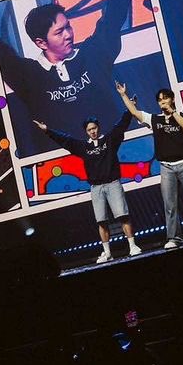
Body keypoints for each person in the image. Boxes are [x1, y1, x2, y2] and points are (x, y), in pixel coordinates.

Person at [0, 0, 134, 139]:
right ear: (41, 43)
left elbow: (113, 18)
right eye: (59, 32)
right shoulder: (29, 75)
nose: (68, 35)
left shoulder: (93, 54)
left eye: (68, 27)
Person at [33, 108, 142, 263]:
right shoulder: (84, 147)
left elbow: (121, 125)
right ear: (86, 131)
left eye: (94, 128)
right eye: (89, 130)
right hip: (96, 188)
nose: (92, 131)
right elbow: (65, 140)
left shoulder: (110, 140)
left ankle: (133, 246)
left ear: (98, 127)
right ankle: (107, 253)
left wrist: (129, 109)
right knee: (101, 221)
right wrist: (47, 130)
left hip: (113, 184)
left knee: (123, 216)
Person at [116, 81, 183, 249]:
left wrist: (173, 113)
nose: (162, 102)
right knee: (170, 205)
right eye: (160, 100)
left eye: (165, 98)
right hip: (166, 166)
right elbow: (135, 112)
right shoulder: (154, 119)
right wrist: (123, 95)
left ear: (172, 100)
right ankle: (174, 238)